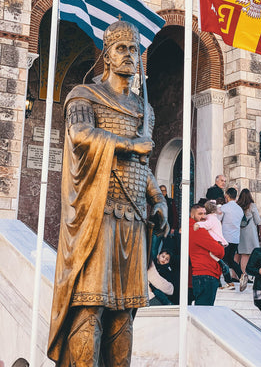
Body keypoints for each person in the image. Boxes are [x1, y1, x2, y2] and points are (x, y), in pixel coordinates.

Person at [47, 20, 169, 367]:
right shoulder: (85, 96)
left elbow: (142, 165)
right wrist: (130, 145)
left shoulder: (146, 110)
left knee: (124, 313)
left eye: (134, 50)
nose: (129, 56)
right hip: (95, 213)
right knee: (90, 306)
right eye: (121, 49)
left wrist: (157, 199)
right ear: (107, 55)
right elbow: (81, 134)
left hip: (132, 215)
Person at [189, 203, 225, 306]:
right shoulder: (198, 230)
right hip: (206, 273)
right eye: (200, 214)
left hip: (202, 274)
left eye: (205, 213)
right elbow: (220, 251)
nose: (204, 217)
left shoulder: (192, 228)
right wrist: (220, 246)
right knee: (204, 311)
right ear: (192, 215)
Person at [193, 200, 234, 290]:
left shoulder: (210, 218)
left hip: (217, 243)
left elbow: (207, 225)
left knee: (219, 263)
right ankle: (221, 282)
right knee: (216, 263)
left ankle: (228, 281)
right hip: (219, 242)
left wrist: (197, 224)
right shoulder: (214, 217)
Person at [237, 188, 261, 291]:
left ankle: (243, 275)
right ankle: (249, 275)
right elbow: (258, 220)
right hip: (250, 234)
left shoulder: (238, 206)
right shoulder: (252, 206)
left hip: (240, 234)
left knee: (243, 255)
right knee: (251, 254)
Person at [219, 187, 244, 282]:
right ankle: (241, 275)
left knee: (222, 259)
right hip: (235, 238)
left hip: (225, 237)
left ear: (227, 196)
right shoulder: (240, 210)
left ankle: (226, 280)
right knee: (230, 260)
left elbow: (218, 219)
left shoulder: (224, 208)